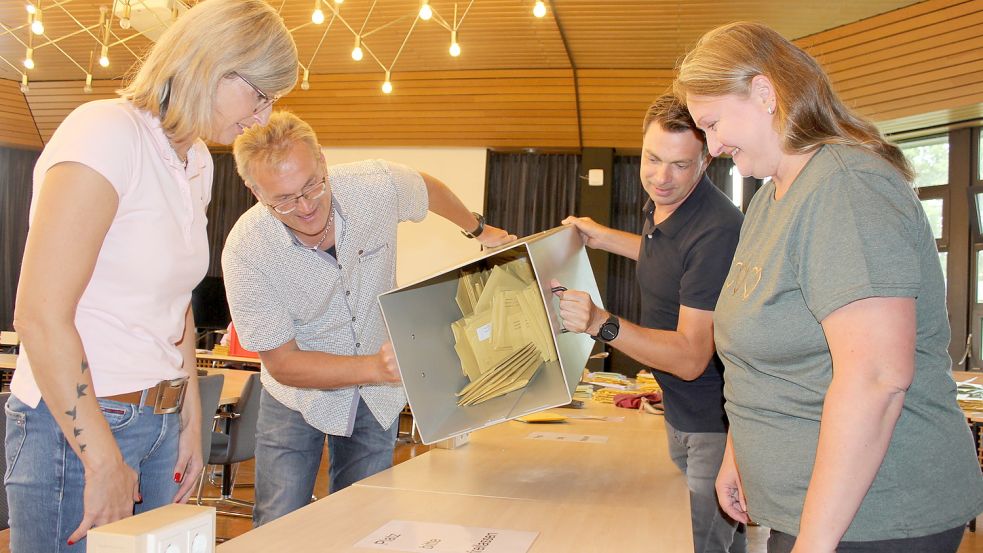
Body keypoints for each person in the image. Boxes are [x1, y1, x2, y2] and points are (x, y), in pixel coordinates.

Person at [675, 21, 983, 553]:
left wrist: (814, 543)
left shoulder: (845, 185)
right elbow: (763, 358)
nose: (713, 144)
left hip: (878, 518)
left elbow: (877, 378)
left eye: (713, 123)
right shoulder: (770, 201)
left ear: (765, 93)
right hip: (821, 512)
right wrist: (739, 453)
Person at [6, 1, 297, 551]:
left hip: (159, 418)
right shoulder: (107, 132)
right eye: (260, 95)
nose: (262, 117)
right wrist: (102, 459)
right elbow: (40, 316)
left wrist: (190, 417)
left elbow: (177, 304)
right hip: (80, 428)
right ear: (213, 60)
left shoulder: (197, 162)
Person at [222, 111, 515, 526]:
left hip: (375, 399)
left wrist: (478, 229)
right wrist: (376, 368)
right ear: (253, 190)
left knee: (364, 520)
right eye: (283, 200)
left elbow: (427, 189)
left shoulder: (374, 185)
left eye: (311, 186)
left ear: (322, 161)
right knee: (278, 520)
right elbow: (283, 363)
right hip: (296, 399)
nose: (305, 208)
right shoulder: (247, 251)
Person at [554, 93, 745, 553]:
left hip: (713, 425)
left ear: (706, 160)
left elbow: (691, 358)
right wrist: (604, 237)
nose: (662, 178)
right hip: (680, 412)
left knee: (700, 544)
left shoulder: (716, 228)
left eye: (680, 165)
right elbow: (669, 258)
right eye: (653, 159)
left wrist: (602, 323)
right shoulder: (666, 203)